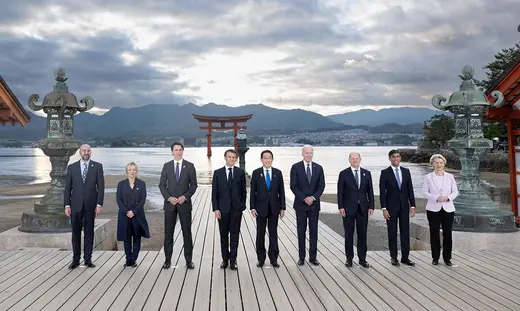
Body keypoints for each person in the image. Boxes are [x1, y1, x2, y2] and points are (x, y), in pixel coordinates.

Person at [64, 144, 105, 269]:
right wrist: (67, 205)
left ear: (91, 152)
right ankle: (75, 260)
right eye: (84, 150)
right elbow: (67, 189)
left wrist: (99, 204)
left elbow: (101, 187)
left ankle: (88, 259)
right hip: (75, 205)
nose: (86, 152)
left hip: (90, 205)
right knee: (75, 233)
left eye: (88, 151)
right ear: (79, 152)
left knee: (89, 233)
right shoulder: (72, 168)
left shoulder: (97, 166)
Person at [159, 142, 198, 269]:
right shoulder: (166, 166)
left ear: (183, 151)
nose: (178, 152)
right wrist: (169, 198)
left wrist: (185, 197)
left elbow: (193, 185)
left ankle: (188, 260)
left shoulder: (190, 166)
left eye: (180, 149)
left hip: (184, 204)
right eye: (176, 150)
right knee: (168, 233)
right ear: (172, 151)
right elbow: (161, 185)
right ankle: (167, 260)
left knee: (187, 233)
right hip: (170, 205)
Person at [379, 149, 416, 266]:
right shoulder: (385, 172)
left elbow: (410, 189)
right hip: (391, 208)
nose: (396, 159)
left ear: (400, 158)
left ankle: (405, 257)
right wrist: (384, 208)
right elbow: (382, 192)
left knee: (405, 232)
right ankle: (393, 257)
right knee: (392, 232)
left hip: (404, 207)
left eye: (398, 157)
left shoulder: (406, 171)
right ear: (389, 158)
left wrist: (413, 205)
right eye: (393, 157)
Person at [211, 149, 247, 270]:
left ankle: (233, 260)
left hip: (236, 209)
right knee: (223, 235)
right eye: (229, 157)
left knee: (235, 235)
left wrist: (242, 206)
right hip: (222, 209)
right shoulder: (218, 173)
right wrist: (216, 209)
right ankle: (224, 259)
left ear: (236, 159)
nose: (231, 159)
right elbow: (214, 193)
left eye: (233, 157)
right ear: (225, 158)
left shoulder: (240, 172)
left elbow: (244, 191)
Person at [337, 152, 374, 268]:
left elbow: (370, 192)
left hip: (363, 208)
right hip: (348, 209)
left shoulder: (367, 174)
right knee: (349, 234)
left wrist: (371, 206)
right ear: (349, 160)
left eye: (356, 158)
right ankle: (349, 259)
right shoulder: (343, 174)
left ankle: (362, 259)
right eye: (352, 159)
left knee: (362, 234)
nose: (355, 160)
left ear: (360, 159)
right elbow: (340, 192)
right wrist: (341, 206)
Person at [290, 145, 325, 266]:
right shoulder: (295, 167)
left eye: (310, 153)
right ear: (302, 154)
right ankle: (301, 257)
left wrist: (313, 198)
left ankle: (313, 257)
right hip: (300, 205)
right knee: (301, 231)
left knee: (314, 231)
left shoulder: (319, 168)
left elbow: (321, 186)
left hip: (314, 205)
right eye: (306, 153)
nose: (309, 155)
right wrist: (304, 198)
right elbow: (293, 186)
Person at [250, 150, 286, 268]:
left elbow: (281, 191)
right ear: (261, 160)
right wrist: (252, 207)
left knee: (273, 233)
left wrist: (283, 207)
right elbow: (252, 192)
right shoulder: (256, 173)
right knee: (260, 234)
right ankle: (261, 259)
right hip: (260, 208)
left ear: (272, 159)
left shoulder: (277, 173)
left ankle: (273, 258)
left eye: (269, 158)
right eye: (265, 158)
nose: (267, 160)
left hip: (274, 208)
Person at [423, 154, 459, 266]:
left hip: (448, 208)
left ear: (444, 164)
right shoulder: (428, 177)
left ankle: (447, 258)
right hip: (433, 208)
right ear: (432, 164)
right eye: (436, 163)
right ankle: (435, 258)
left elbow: (455, 191)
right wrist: (436, 198)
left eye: (441, 163)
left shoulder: (450, 177)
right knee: (434, 233)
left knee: (447, 233)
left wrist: (448, 198)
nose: (439, 165)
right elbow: (425, 192)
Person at [116, 162, 150, 267]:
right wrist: (127, 211)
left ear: (136, 171)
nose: (132, 171)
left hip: (137, 215)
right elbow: (119, 200)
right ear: (127, 171)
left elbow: (142, 200)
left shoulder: (141, 184)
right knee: (126, 238)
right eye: (130, 169)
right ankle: (128, 260)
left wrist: (134, 212)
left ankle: (134, 259)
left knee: (136, 238)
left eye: (134, 169)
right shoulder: (121, 184)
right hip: (124, 215)